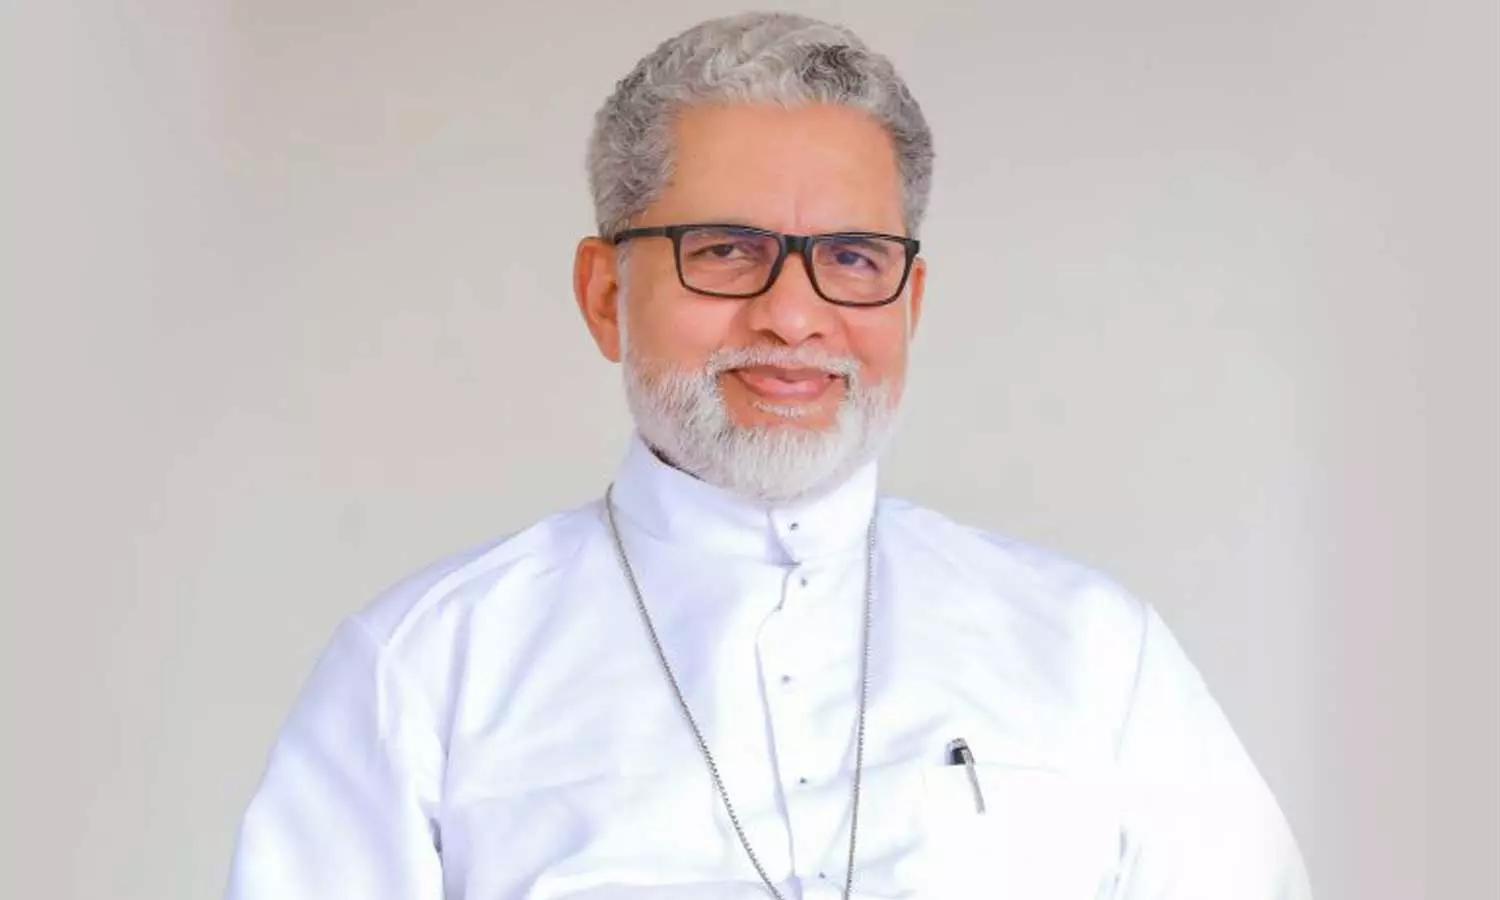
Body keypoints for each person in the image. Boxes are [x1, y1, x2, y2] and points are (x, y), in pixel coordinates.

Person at [225, 12, 1312, 899]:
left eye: (853, 258)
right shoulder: (424, 672)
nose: (793, 316)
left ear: (910, 301)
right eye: (727, 250)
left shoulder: (1094, 653)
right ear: (605, 295)